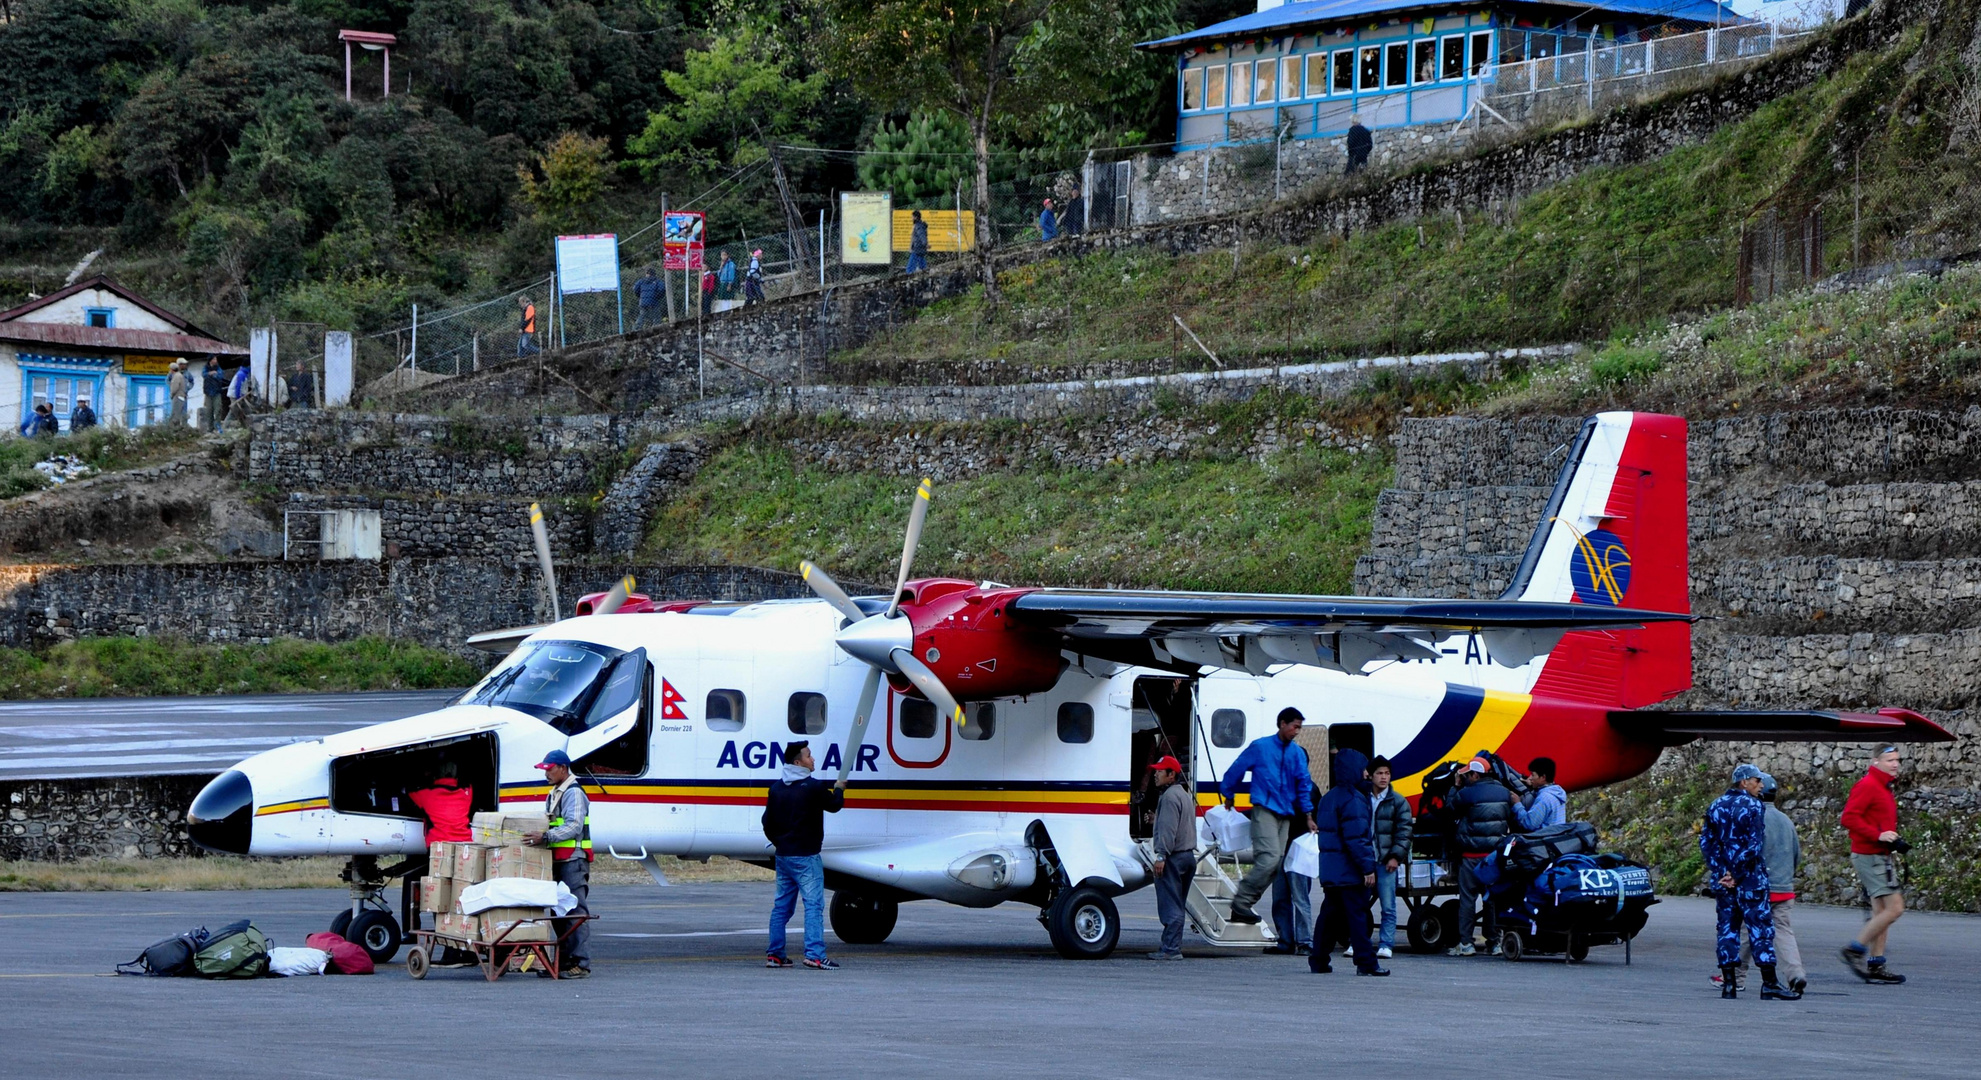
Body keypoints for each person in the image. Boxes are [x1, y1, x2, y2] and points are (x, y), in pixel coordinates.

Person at [1701, 763, 1794, 1000]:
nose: (1761, 785)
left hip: (1724, 883)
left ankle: (1729, 984)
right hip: (1750, 880)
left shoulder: (1715, 805)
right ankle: (1769, 983)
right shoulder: (1754, 806)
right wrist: (1737, 873)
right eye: (1757, 780)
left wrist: (1722, 872)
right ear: (1744, 782)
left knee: (1727, 930)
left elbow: (1707, 843)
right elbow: (1754, 845)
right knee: (1760, 929)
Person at [1218, 707, 1318, 925]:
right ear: (1282, 723)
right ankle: (1241, 902)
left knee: (1276, 864)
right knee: (1269, 859)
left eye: (1299, 727)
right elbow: (1237, 768)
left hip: (1286, 814)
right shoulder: (1261, 747)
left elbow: (1304, 784)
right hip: (1264, 809)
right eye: (1295, 726)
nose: (1297, 732)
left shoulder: (1297, 753)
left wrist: (1308, 815)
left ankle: (1243, 906)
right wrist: (1228, 793)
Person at [762, 741, 845, 969]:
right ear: (798, 762)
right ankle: (815, 954)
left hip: (783, 856)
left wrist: (780, 842)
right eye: (809, 756)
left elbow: (766, 823)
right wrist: (839, 787)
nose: (813, 759)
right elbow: (835, 804)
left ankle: (775, 954)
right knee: (813, 905)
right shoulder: (813, 787)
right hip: (807, 856)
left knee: (781, 907)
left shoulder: (776, 788)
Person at [1309, 748, 1386, 975]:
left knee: (1329, 918)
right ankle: (1367, 964)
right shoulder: (1354, 800)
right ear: (1353, 769)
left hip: (1332, 871)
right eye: (1363, 769)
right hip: (1349, 871)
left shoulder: (1328, 798)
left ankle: (1319, 960)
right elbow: (1357, 839)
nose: (1365, 774)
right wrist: (1367, 868)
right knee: (1358, 919)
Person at [1839, 745, 1907, 984]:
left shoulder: (1884, 787)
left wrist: (1891, 839)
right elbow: (1848, 817)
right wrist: (1877, 835)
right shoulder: (1868, 785)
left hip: (1880, 855)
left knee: (1882, 912)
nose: (1895, 764)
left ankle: (1876, 964)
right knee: (1895, 908)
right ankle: (1855, 949)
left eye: (1897, 759)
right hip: (1870, 856)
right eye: (1889, 760)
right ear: (1875, 761)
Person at [523, 749, 591, 978]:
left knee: (574, 910)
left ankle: (580, 964)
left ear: (563, 768)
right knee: (559, 910)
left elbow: (574, 826)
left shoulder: (573, 793)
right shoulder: (555, 793)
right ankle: (563, 961)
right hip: (559, 859)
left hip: (573, 859)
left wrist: (546, 837)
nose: (547, 774)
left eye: (550, 769)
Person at [1448, 756, 1515, 956]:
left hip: (1471, 855)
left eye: (1468, 774)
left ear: (1476, 774)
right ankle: (1494, 942)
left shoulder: (1466, 793)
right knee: (1491, 900)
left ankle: (1466, 943)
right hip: (1494, 858)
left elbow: (1450, 809)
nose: (1467, 777)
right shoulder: (1504, 792)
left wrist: (1455, 787)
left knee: (1468, 899)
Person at [1760, 773, 1807, 995]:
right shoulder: (1786, 820)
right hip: (1784, 888)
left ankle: (1733, 975)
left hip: (1760, 888)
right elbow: (1797, 854)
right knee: (1783, 932)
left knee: (1745, 932)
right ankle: (1795, 974)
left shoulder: (1754, 819)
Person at [1146, 754, 1195, 961]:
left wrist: (1160, 855)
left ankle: (1170, 949)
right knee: (1178, 903)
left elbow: (1168, 829)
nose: (1155, 774)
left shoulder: (1168, 797)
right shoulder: (1182, 794)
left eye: (1159, 771)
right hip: (1187, 857)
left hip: (1173, 858)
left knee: (1170, 905)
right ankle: (1171, 945)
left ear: (1171, 775)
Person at [1267, 773, 1317, 956]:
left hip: (1299, 851)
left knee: (1300, 898)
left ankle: (1304, 941)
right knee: (1280, 898)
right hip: (1281, 849)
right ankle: (1285, 940)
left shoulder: (1309, 789)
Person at [1369, 755, 1413, 959]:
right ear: (1371, 775)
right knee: (1359, 905)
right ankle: (1358, 942)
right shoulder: (1363, 798)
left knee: (1388, 906)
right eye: (1379, 773)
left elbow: (1404, 832)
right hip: (1365, 861)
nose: (1384, 777)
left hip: (1386, 861)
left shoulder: (1398, 801)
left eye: (1387, 773)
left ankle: (1386, 944)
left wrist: (1396, 856)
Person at [407, 761, 473, 844]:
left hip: (437, 844)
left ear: (434, 776)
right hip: (464, 843)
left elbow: (408, 791)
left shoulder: (424, 794)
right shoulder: (466, 793)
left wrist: (427, 778)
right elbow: (468, 784)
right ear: (456, 777)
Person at [1514, 756, 1566, 831]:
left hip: (1545, 839)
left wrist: (1517, 804)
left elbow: (1529, 824)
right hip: (1556, 837)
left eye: (1533, 774)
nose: (1530, 778)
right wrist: (1533, 785)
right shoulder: (1557, 792)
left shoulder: (1544, 798)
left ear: (1543, 777)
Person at [632, 265, 665, 330]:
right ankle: (656, 329)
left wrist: (640, 296)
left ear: (647, 274)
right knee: (656, 316)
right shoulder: (657, 281)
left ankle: (636, 329)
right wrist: (658, 296)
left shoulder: (641, 281)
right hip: (653, 301)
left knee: (642, 316)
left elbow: (635, 288)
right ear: (654, 274)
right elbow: (662, 289)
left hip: (643, 302)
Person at [201, 358, 226, 431]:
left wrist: (214, 374)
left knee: (218, 410)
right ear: (210, 360)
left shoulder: (218, 368)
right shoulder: (205, 368)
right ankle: (210, 428)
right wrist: (210, 373)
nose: (216, 360)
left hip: (217, 392)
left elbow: (220, 376)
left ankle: (218, 427)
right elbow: (204, 375)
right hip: (208, 393)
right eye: (214, 359)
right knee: (209, 411)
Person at [905, 210, 930, 274]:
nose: (912, 218)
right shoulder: (920, 225)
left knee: (910, 265)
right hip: (920, 247)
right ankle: (925, 271)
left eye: (912, 217)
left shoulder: (918, 226)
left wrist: (925, 244)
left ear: (916, 217)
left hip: (917, 247)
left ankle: (909, 274)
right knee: (921, 261)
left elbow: (922, 235)